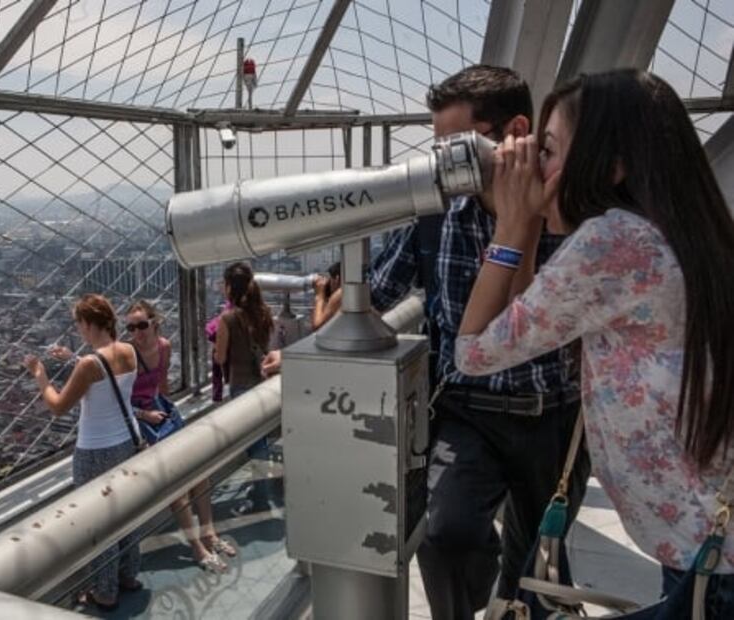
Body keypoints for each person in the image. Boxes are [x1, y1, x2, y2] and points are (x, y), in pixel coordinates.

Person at [455, 69, 734, 613]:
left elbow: (475, 352)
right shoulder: (673, 228)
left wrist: (511, 227)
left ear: (613, 163)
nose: (538, 169)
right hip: (706, 542)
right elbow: (536, 317)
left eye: (551, 151)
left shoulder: (614, 241)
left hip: (709, 555)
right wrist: (532, 226)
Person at [378, 65, 589, 619]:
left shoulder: (571, 213)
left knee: (542, 565)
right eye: (437, 149)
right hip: (469, 407)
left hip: (556, 412)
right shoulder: (437, 211)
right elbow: (377, 293)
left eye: (457, 147)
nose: (444, 165)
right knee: (444, 534)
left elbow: (530, 324)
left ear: (515, 129)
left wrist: (521, 218)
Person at [24, 293, 142, 611]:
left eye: (79, 324)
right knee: (127, 510)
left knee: (98, 520)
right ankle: (129, 575)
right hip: (128, 441)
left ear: (88, 323)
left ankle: (105, 592)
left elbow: (59, 406)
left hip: (96, 449)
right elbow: (106, 374)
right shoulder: (129, 349)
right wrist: (72, 360)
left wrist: (40, 376)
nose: (78, 331)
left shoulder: (90, 363)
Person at [124, 300, 236, 572]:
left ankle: (208, 532)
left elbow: (161, 386)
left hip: (160, 413)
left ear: (154, 323)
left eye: (141, 325)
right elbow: (118, 400)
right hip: (139, 420)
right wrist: (144, 415)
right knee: (176, 484)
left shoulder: (163, 346)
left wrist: (164, 410)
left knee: (199, 471)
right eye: (130, 327)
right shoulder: (126, 354)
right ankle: (197, 545)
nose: (137, 332)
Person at [214, 262, 275, 516]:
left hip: (240, 385)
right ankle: (260, 490)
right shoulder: (264, 311)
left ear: (229, 287)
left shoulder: (227, 318)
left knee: (255, 446)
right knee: (262, 440)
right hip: (263, 381)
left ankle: (261, 498)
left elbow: (220, 357)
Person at [311, 262, 341, 330]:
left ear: (337, 279)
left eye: (330, 279)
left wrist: (320, 295)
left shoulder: (340, 294)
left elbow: (317, 326)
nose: (328, 282)